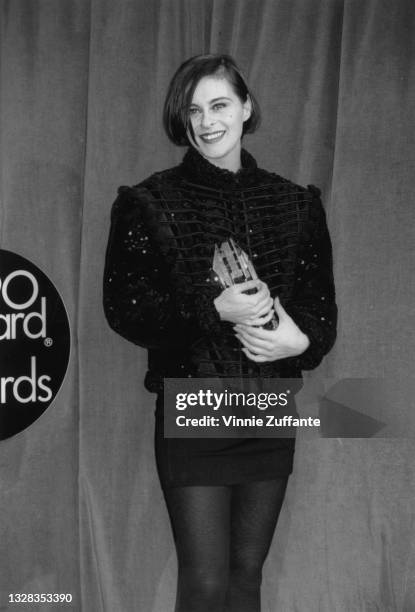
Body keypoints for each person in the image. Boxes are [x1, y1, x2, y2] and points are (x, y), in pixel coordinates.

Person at [103, 54, 337, 612]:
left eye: (219, 104)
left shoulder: (296, 203)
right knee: (205, 585)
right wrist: (216, 311)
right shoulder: (149, 202)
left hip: (270, 404)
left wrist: (299, 343)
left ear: (246, 107)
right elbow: (126, 310)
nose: (207, 121)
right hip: (195, 406)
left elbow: (320, 313)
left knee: (245, 581)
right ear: (181, 120)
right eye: (194, 110)